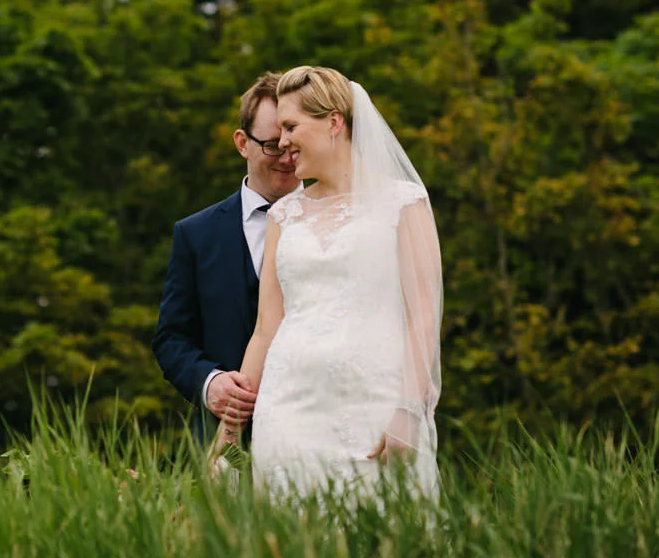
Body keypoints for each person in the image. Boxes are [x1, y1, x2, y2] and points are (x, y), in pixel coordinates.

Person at [216, 65, 442, 501]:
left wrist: (409, 409)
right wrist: (227, 437)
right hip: (289, 412)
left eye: (290, 126)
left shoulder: (404, 203)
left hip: (375, 403)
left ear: (334, 122)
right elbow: (267, 328)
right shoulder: (284, 215)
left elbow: (424, 312)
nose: (281, 143)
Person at [152, 73, 301, 443]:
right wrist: (210, 382)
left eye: (292, 144)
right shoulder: (196, 234)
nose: (285, 157)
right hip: (225, 438)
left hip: (311, 431)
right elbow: (172, 338)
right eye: (271, 145)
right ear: (242, 143)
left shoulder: (337, 226)